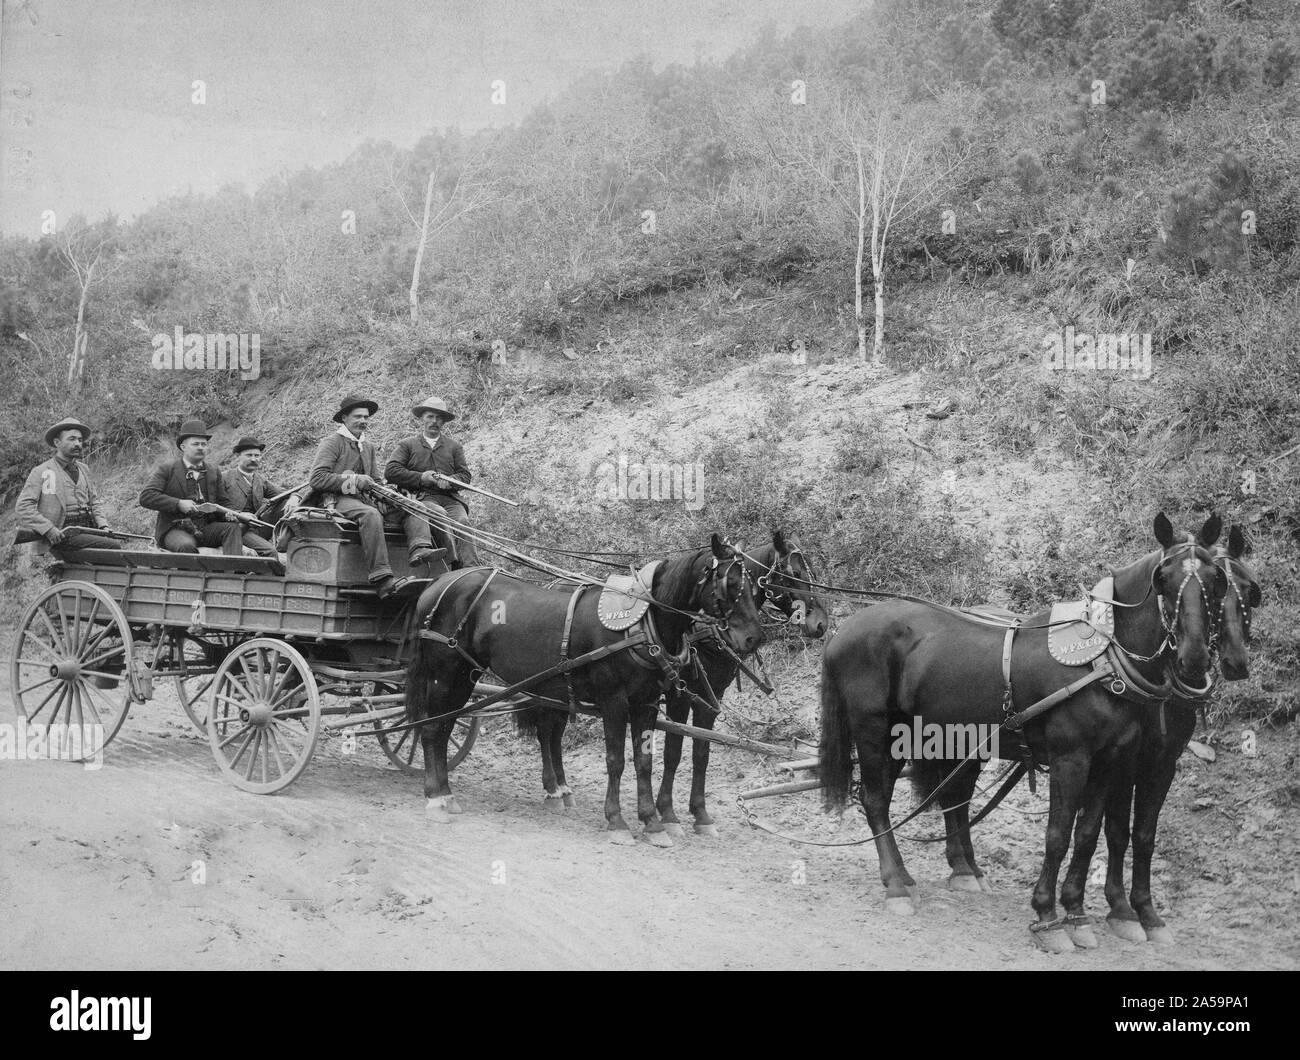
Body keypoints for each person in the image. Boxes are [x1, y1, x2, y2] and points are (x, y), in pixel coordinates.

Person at [307, 395, 409, 598]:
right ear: (344, 418)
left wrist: (391, 496)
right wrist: (354, 481)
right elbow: (317, 479)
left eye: (366, 417)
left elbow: (376, 481)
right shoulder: (332, 442)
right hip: (336, 500)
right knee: (370, 515)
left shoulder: (367, 446)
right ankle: (381, 577)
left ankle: (419, 558)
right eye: (358, 416)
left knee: (409, 507)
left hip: (366, 499)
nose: (363, 421)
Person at [384, 395, 480, 569]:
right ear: (422, 418)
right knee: (438, 513)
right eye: (430, 416)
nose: (434, 421)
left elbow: (465, 476)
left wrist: (451, 481)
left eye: (439, 417)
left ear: (444, 421)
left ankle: (473, 569)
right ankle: (454, 564)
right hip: (421, 498)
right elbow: (391, 472)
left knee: (463, 522)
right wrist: (421, 477)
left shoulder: (454, 447)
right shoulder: (407, 445)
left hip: (450, 499)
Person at [139, 419, 247, 554]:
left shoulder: (213, 471)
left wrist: (231, 514)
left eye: (204, 444)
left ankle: (234, 573)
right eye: (195, 444)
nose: (201, 447)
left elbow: (223, 502)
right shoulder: (167, 469)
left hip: (206, 528)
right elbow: (146, 496)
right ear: (183, 447)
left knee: (232, 528)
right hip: (176, 528)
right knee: (186, 546)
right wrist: (178, 503)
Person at [14, 417, 122, 552]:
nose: (77, 443)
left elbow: (94, 502)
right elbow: (23, 507)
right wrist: (48, 529)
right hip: (61, 535)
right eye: (71, 439)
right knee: (114, 547)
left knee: (113, 544)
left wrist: (103, 526)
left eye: (80, 440)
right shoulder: (41, 471)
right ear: (57, 442)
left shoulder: (84, 469)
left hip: (87, 530)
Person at [221, 437, 283, 557]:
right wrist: (234, 515)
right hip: (235, 529)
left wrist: (294, 497)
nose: (254, 459)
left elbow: (283, 492)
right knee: (270, 552)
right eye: (249, 455)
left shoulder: (260, 480)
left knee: (285, 502)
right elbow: (216, 505)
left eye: (257, 455)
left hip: (257, 527)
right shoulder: (224, 478)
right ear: (238, 456)